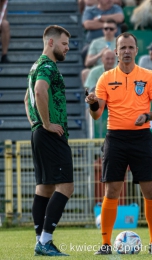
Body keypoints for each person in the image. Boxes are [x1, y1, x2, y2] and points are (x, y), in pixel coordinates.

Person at [85, 32, 152, 255]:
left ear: (136, 50)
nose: (127, 51)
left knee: (150, 191)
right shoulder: (105, 78)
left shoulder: (149, 76)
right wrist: (93, 104)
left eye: (131, 47)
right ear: (116, 51)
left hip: (142, 138)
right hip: (116, 138)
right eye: (123, 48)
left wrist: (147, 116)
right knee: (111, 191)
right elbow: (96, 114)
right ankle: (105, 244)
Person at [24, 25, 74, 257]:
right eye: (64, 44)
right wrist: (45, 123)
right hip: (51, 133)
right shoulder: (47, 66)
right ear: (51, 43)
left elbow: (27, 99)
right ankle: (45, 241)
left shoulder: (35, 65)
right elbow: (39, 90)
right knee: (66, 186)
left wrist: (35, 123)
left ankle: (39, 241)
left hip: (39, 133)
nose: (67, 48)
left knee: (44, 188)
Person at [81, 19, 118, 85]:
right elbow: (87, 63)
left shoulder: (120, 43)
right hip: (99, 70)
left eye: (111, 29)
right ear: (103, 30)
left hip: (116, 70)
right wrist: (99, 55)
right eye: (106, 28)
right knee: (85, 72)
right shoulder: (95, 42)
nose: (108, 31)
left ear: (115, 30)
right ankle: (90, 94)